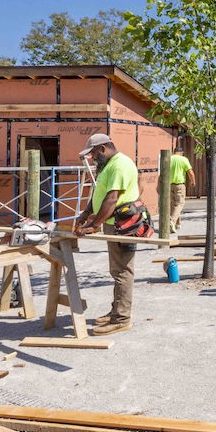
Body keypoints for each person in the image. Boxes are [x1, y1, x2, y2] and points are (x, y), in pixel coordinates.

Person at [74, 134, 140, 335]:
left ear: (102, 149)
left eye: (93, 154)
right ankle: (116, 312)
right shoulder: (109, 165)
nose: (93, 158)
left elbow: (111, 199)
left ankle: (122, 319)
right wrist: (86, 213)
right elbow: (100, 193)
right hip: (114, 223)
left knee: (122, 272)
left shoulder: (120, 165)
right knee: (117, 271)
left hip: (124, 225)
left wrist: (93, 225)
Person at [165, 149, 195, 233]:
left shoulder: (169, 158)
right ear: (182, 152)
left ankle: (177, 224)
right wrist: (193, 181)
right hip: (179, 185)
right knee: (179, 204)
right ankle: (172, 221)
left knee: (173, 205)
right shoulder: (183, 159)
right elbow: (190, 172)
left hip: (169, 185)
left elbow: (162, 172)